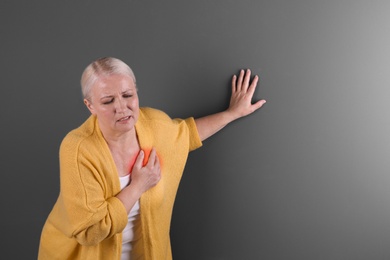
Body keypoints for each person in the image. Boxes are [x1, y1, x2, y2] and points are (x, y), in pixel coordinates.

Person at [38, 57, 266, 260]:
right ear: (90, 106)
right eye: (108, 101)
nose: (121, 107)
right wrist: (138, 186)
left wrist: (232, 113)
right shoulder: (77, 148)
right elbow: (90, 231)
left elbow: (186, 134)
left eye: (128, 95)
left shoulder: (155, 126)